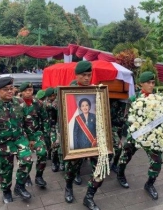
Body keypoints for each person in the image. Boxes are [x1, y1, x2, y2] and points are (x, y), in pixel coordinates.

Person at [0, 77, 34, 203]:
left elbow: (27, 121)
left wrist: (31, 138)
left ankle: (20, 186)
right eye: (6, 89)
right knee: (5, 169)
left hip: (19, 139)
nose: (10, 91)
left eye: (11, 88)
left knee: (27, 160)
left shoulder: (20, 102)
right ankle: (6, 191)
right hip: (2, 143)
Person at [117, 71, 162, 200]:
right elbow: (126, 117)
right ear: (141, 84)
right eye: (148, 82)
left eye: (153, 82)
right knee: (125, 155)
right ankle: (120, 174)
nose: (151, 85)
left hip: (151, 136)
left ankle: (149, 184)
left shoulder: (158, 99)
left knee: (157, 161)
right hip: (136, 134)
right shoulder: (133, 99)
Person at [63, 61, 102, 210]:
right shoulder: (68, 91)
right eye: (83, 75)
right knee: (72, 169)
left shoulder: (97, 91)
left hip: (95, 141)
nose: (87, 78)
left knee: (101, 170)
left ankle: (89, 197)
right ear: (76, 75)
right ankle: (68, 187)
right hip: (77, 141)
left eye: (89, 75)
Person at [19, 82, 48, 188]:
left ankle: (39, 176)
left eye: (30, 90)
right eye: (26, 91)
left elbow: (44, 118)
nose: (28, 92)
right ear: (21, 92)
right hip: (23, 136)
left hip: (36, 134)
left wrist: (45, 133)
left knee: (43, 153)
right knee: (26, 159)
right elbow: (16, 124)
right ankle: (26, 177)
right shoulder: (17, 104)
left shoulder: (38, 103)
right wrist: (27, 138)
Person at [44, 87, 63, 172]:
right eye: (51, 96)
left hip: (59, 126)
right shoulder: (46, 103)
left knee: (61, 145)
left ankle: (61, 161)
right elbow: (51, 106)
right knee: (54, 145)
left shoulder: (58, 101)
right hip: (51, 127)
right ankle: (54, 162)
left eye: (54, 95)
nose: (52, 97)